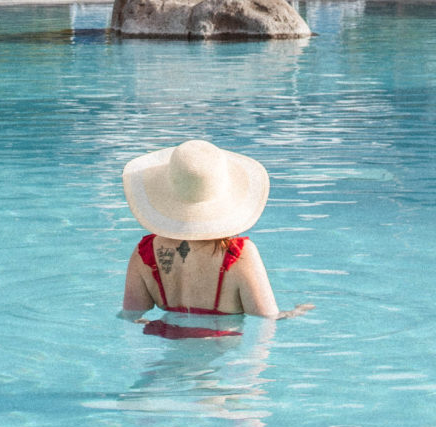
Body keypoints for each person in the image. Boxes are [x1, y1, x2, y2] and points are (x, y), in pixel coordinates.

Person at [119, 138, 304, 322]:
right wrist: (297, 312)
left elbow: (130, 317)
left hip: (167, 345)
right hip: (223, 348)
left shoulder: (144, 253)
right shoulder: (239, 256)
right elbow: (268, 319)